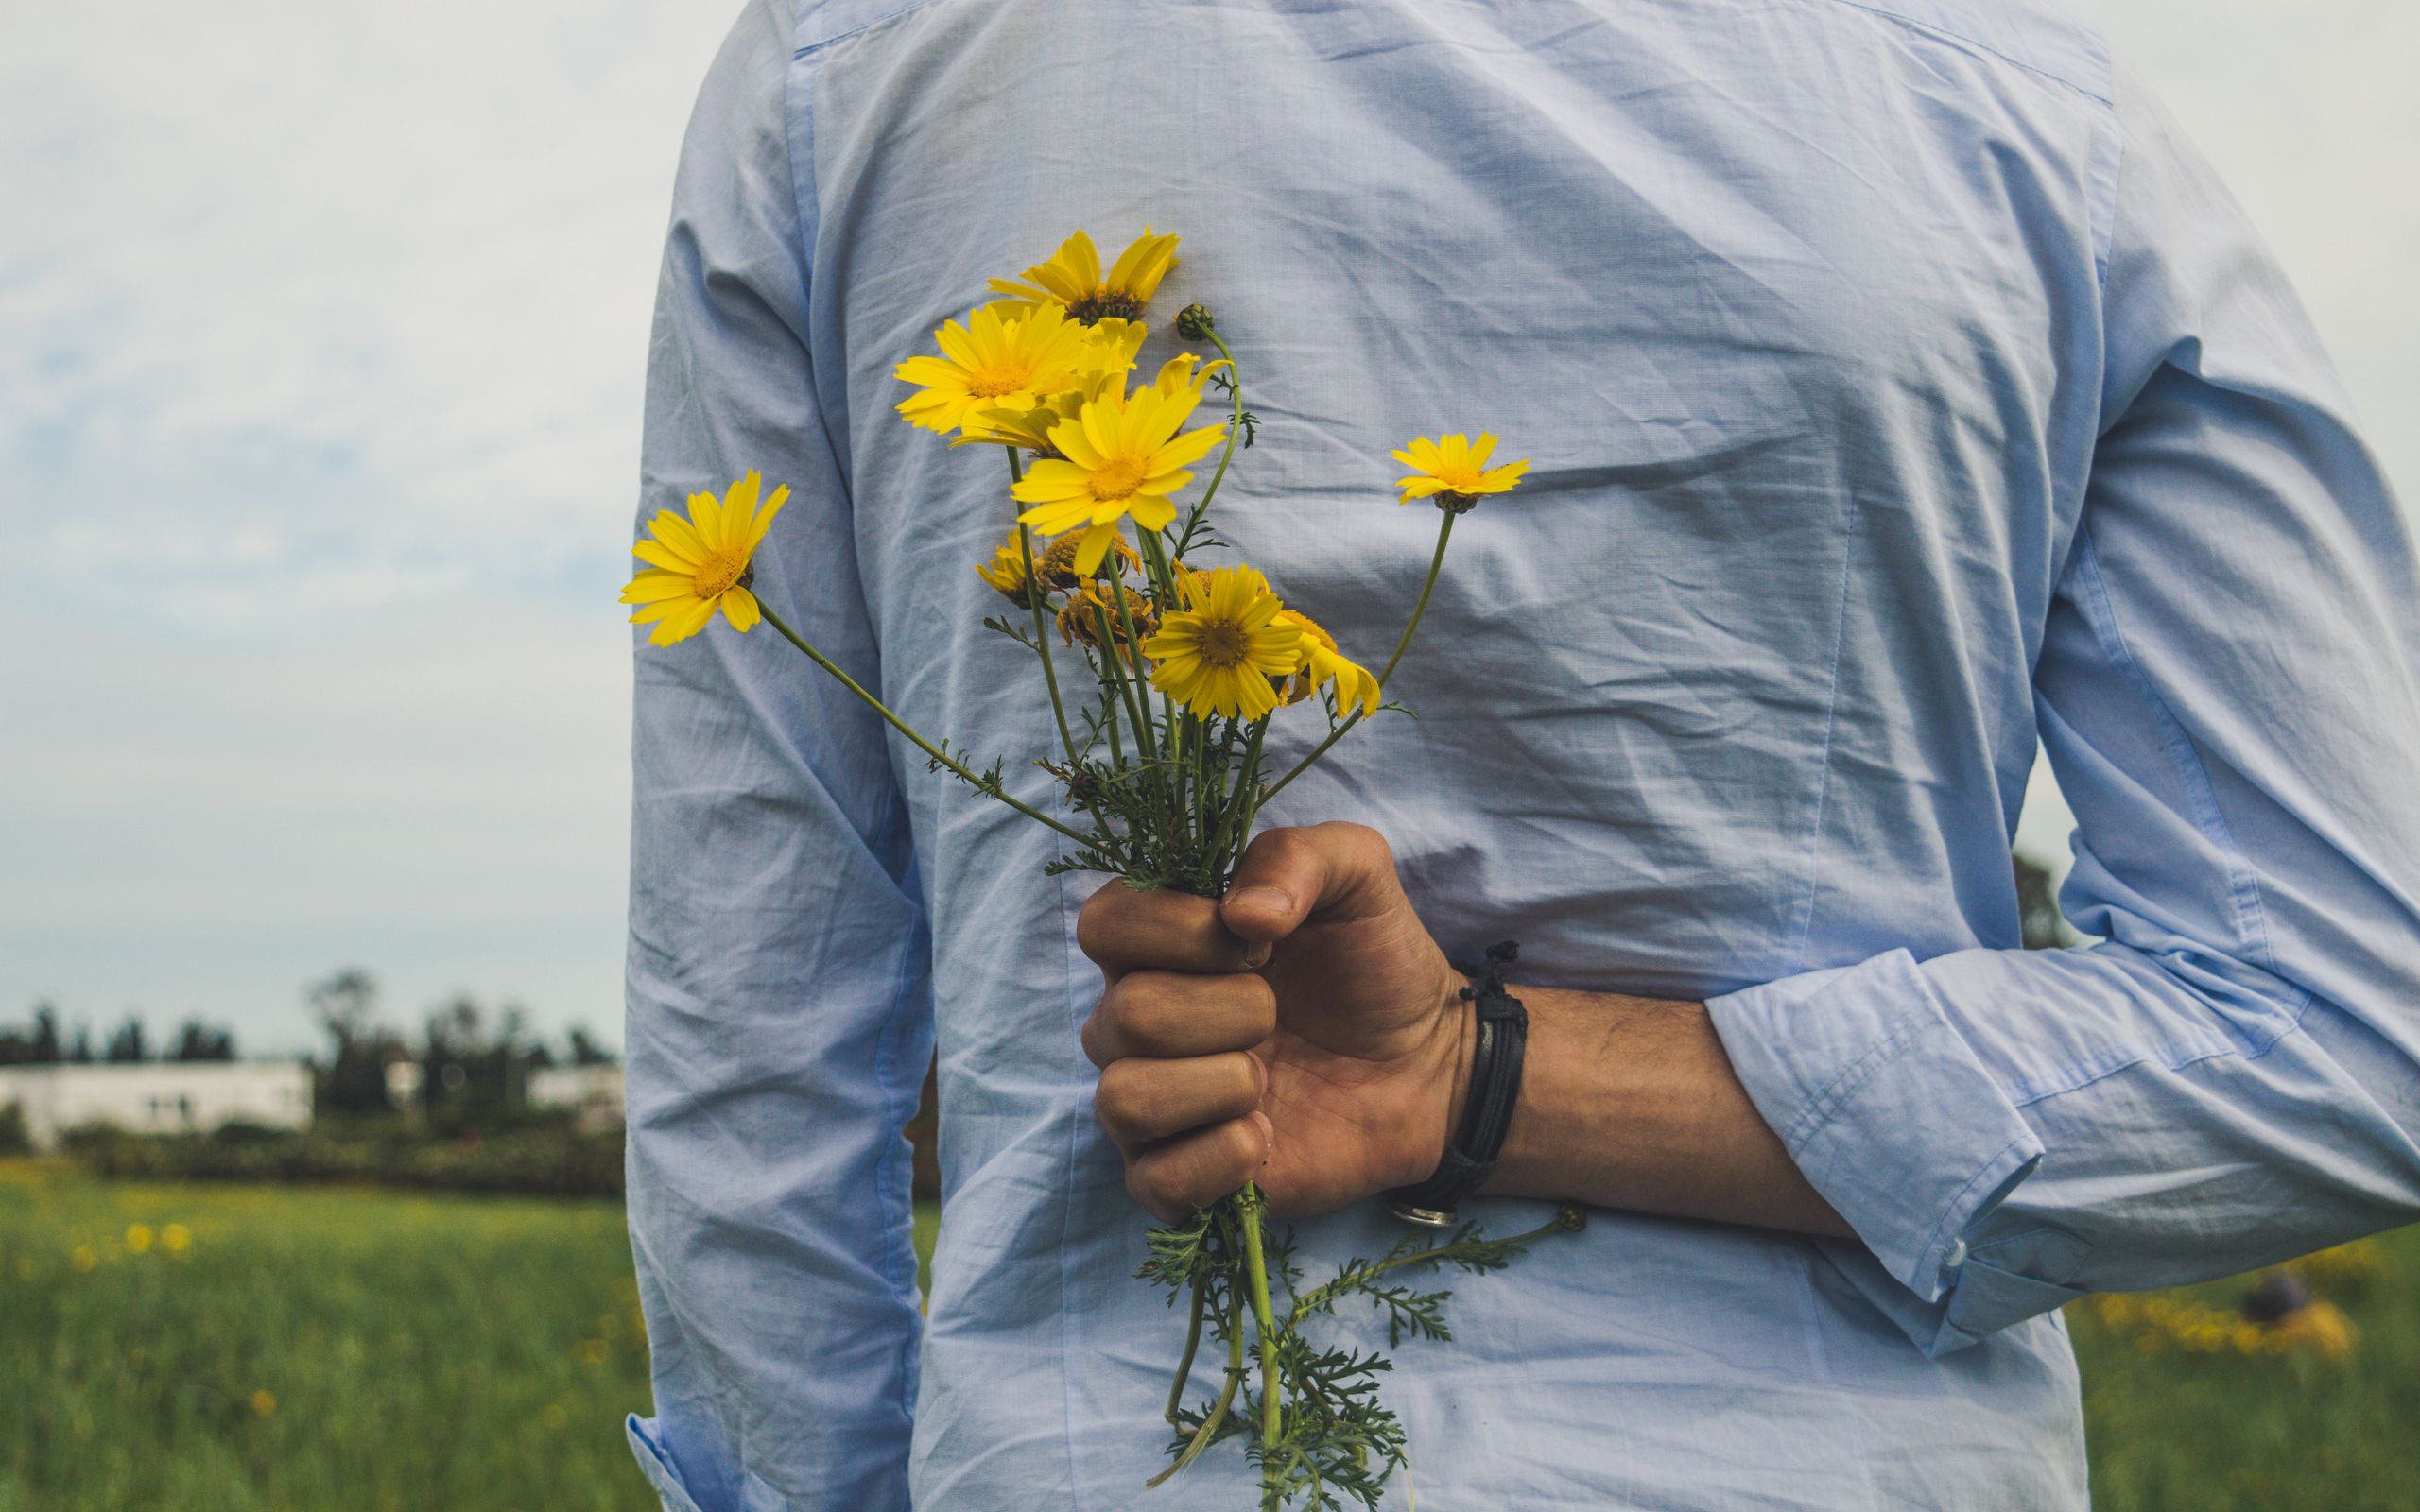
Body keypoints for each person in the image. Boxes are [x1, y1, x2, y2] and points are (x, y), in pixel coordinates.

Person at [620, 0, 2420, 1507]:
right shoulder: (2027, 109)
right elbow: (2349, 1028)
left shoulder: (851, 67)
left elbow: (749, 1040)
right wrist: (1502, 1081)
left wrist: (1457, 1077)